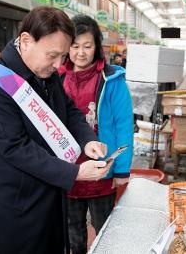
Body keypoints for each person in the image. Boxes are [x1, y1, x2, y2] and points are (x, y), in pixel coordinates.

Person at [0, 6, 112, 254]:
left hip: (48, 196)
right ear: (26, 41)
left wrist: (87, 139)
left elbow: (68, 111)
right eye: (52, 55)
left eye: (62, 56)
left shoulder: (46, 74)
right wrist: (75, 173)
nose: (58, 65)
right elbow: (16, 148)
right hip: (16, 207)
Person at [58, 14, 133, 254]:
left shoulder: (112, 79)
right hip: (68, 170)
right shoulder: (55, 78)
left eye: (87, 46)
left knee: (104, 230)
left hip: (103, 169)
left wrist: (121, 169)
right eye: (75, 45)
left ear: (97, 47)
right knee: (72, 233)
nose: (81, 52)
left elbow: (123, 125)